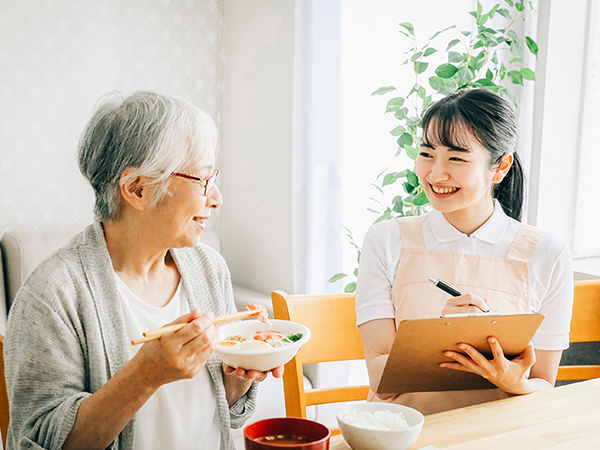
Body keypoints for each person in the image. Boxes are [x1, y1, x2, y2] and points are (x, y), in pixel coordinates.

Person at [4, 91, 283, 450]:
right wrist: (144, 375)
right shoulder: (53, 294)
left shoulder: (209, 269)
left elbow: (222, 412)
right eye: (203, 181)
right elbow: (40, 442)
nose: (217, 198)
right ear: (137, 189)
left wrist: (240, 375)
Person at [355, 88, 573, 415]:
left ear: (500, 167)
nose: (435, 173)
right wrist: (443, 336)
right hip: (403, 429)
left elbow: (543, 382)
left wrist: (516, 383)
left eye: (456, 158)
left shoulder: (548, 254)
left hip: (497, 434)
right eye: (427, 153)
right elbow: (380, 378)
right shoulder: (386, 239)